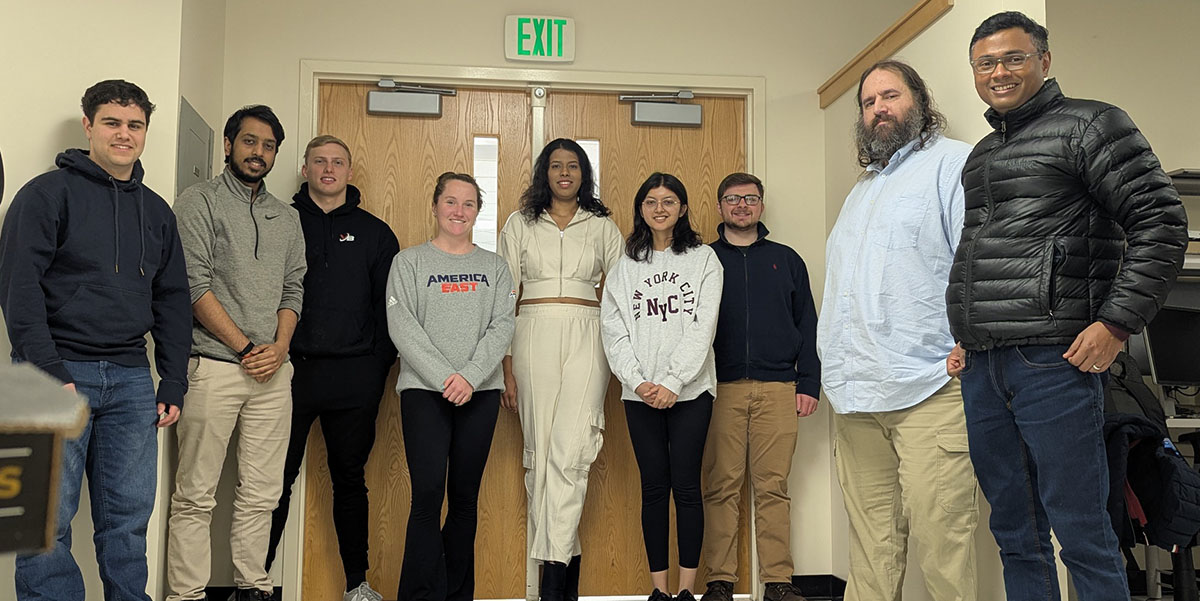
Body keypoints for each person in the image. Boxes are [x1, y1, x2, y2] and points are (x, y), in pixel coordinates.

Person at [946, 12, 1188, 600]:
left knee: (1083, 531)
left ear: (1044, 61)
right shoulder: (980, 155)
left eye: (1014, 58)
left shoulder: (1092, 124)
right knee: (1013, 531)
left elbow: (1161, 222)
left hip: (1057, 363)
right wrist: (970, 329)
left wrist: (1116, 323)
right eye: (986, 63)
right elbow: (987, 250)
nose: (999, 71)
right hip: (983, 365)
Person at [0, 79, 192, 601]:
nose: (123, 134)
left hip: (131, 381)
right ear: (88, 126)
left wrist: (172, 380)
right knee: (41, 527)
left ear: (146, 131)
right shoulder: (45, 195)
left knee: (128, 525)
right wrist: (49, 373)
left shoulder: (156, 212)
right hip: (51, 374)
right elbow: (19, 291)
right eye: (111, 122)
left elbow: (173, 300)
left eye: (135, 125)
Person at [817, 60, 978, 601]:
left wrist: (969, 341)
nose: (879, 109)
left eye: (890, 95)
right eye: (868, 102)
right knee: (871, 554)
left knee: (943, 548)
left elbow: (977, 263)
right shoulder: (862, 190)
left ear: (920, 101)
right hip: (857, 397)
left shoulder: (954, 165)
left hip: (930, 390)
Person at [166, 105, 307, 601]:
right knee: (196, 495)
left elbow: (294, 290)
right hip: (212, 367)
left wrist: (279, 347)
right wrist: (247, 347)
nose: (259, 153)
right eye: (250, 142)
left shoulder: (287, 217)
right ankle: (186, 594)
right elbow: (192, 285)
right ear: (228, 145)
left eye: (268, 146)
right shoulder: (197, 201)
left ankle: (253, 586)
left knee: (262, 494)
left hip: (274, 374)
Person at [264, 135, 398, 601]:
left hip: (355, 377)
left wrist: (375, 369)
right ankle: (256, 583)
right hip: (287, 373)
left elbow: (389, 311)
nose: (328, 169)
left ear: (349, 171)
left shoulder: (375, 233)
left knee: (350, 481)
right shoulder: (278, 220)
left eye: (337, 162)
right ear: (304, 168)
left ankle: (356, 584)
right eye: (319, 161)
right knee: (272, 482)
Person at [497, 138, 623, 601]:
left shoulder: (603, 225)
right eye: (556, 166)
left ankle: (552, 577)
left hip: (589, 331)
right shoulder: (520, 223)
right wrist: (505, 367)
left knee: (573, 452)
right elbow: (503, 297)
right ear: (544, 173)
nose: (564, 173)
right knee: (540, 456)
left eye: (573, 166)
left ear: (583, 173)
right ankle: (557, 578)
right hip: (531, 329)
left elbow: (624, 291)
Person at [387, 172, 515, 601]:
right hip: (425, 393)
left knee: (464, 498)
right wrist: (446, 378)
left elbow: (502, 328)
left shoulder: (494, 267)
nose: (458, 212)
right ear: (436, 205)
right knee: (426, 495)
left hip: (479, 394)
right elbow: (402, 328)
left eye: (468, 204)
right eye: (450, 202)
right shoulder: (409, 263)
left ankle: (457, 594)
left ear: (478, 211)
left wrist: (470, 377)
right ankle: (421, 595)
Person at [601, 172, 723, 601]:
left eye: (669, 201)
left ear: (683, 209)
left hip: (692, 392)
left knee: (687, 487)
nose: (659, 209)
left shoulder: (705, 259)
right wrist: (639, 381)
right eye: (651, 202)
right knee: (653, 487)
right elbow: (612, 331)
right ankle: (659, 591)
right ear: (641, 209)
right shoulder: (625, 267)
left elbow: (702, 327)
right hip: (640, 394)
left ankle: (687, 591)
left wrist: (673, 381)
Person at [701, 172, 818, 601]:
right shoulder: (703, 260)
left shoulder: (786, 260)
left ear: (761, 206)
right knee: (720, 486)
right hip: (719, 389)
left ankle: (778, 582)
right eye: (732, 199)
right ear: (720, 207)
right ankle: (720, 581)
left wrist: (808, 382)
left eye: (750, 199)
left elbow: (807, 322)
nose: (742, 206)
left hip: (779, 389)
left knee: (773, 488)